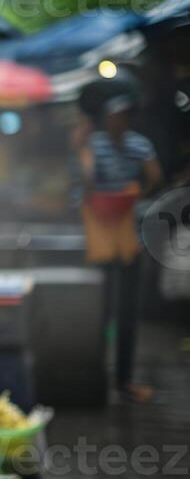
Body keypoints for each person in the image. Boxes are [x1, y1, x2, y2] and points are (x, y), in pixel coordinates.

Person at [73, 87, 163, 402]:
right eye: (114, 116)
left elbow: (154, 177)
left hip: (129, 238)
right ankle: (94, 377)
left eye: (123, 116)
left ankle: (124, 380)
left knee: (126, 314)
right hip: (100, 234)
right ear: (106, 119)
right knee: (99, 310)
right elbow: (85, 183)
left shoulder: (139, 145)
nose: (118, 121)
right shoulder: (94, 145)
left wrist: (138, 192)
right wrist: (81, 149)